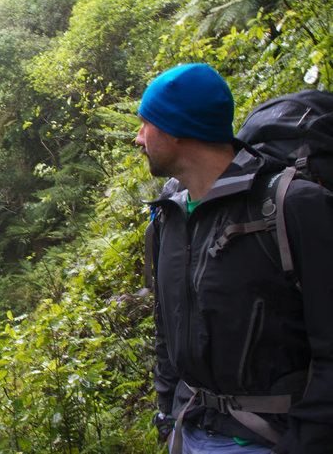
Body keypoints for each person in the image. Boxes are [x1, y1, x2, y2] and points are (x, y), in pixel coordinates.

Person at [136, 63, 333, 453]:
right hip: (189, 428)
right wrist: (168, 415)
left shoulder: (292, 207)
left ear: (176, 130)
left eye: (146, 124)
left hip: (269, 438)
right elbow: (167, 329)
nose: (138, 138)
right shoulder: (169, 219)